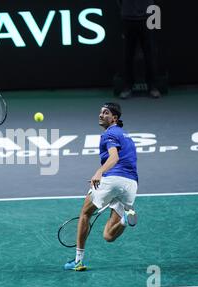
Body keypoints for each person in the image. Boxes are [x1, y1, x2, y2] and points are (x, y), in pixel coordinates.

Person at [64, 102, 138, 271]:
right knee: (108, 235)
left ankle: (78, 261)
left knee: (85, 213)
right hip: (131, 185)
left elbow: (114, 158)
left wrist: (99, 172)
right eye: (101, 112)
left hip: (112, 179)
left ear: (114, 118)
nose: (101, 115)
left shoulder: (109, 134)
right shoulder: (126, 136)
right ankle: (125, 219)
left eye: (105, 113)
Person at [117, 0, 161, 99]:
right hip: (128, 18)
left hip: (148, 16)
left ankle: (152, 87)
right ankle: (127, 87)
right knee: (128, 55)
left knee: (150, 54)